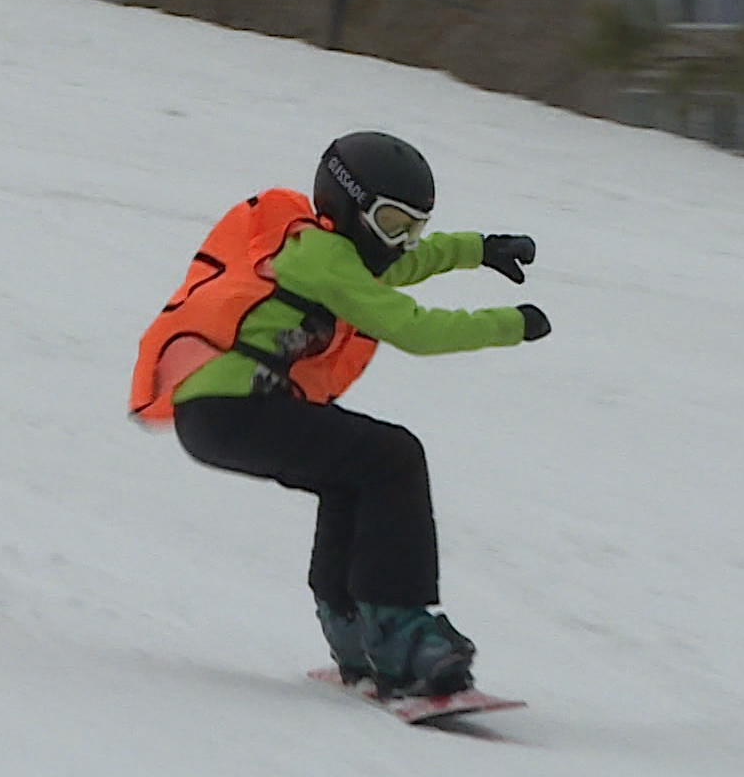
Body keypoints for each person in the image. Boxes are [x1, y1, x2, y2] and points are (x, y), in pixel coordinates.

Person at [128, 131, 549, 700]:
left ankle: (352, 630)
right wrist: (512, 324)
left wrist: (479, 249)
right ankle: (399, 633)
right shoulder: (324, 260)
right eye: (394, 224)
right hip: (233, 409)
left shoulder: (325, 250)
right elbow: (414, 329)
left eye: (414, 227)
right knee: (392, 458)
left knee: (352, 475)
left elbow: (405, 266)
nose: (403, 243)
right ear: (349, 205)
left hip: (223, 412)